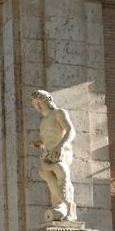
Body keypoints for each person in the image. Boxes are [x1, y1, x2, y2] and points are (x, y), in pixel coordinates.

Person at [30, 89, 77, 222]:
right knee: (45, 174)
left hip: (62, 151)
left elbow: (71, 131)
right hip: (48, 154)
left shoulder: (59, 113)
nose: (38, 106)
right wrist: (40, 145)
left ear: (47, 100)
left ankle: (69, 208)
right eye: (35, 104)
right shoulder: (43, 122)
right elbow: (48, 141)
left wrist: (60, 146)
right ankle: (62, 205)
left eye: (40, 102)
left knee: (61, 171)